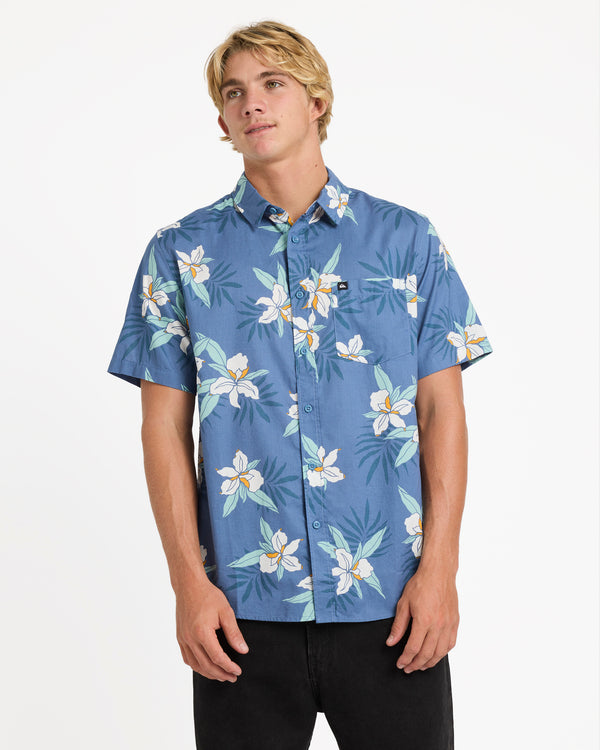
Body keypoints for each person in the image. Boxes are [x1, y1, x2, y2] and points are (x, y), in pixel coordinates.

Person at [108, 20, 492, 750]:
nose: (252, 102)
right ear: (221, 122)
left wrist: (440, 570)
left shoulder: (406, 241)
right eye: (234, 92)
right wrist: (188, 586)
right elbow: (162, 428)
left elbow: (441, 411)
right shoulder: (180, 254)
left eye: (273, 83)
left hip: (392, 605)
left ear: (317, 101)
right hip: (240, 615)